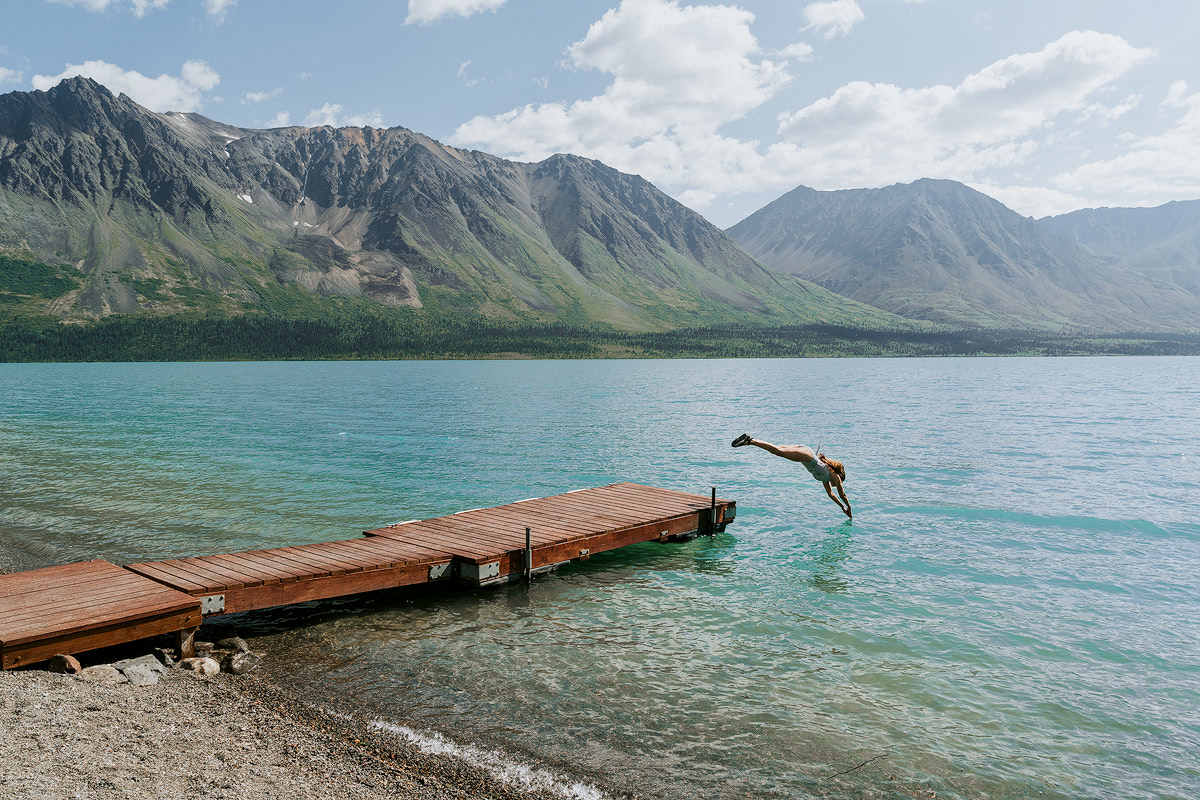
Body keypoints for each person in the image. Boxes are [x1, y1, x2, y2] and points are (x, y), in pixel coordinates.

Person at [731, 434, 852, 519]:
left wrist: (842, 508)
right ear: (841, 475)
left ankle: (750, 440)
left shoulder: (826, 478)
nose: (837, 485)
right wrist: (849, 507)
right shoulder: (836, 476)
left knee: (778, 449)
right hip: (807, 456)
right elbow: (842, 495)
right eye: (840, 482)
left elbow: (830, 494)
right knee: (778, 451)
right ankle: (750, 441)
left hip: (805, 450)